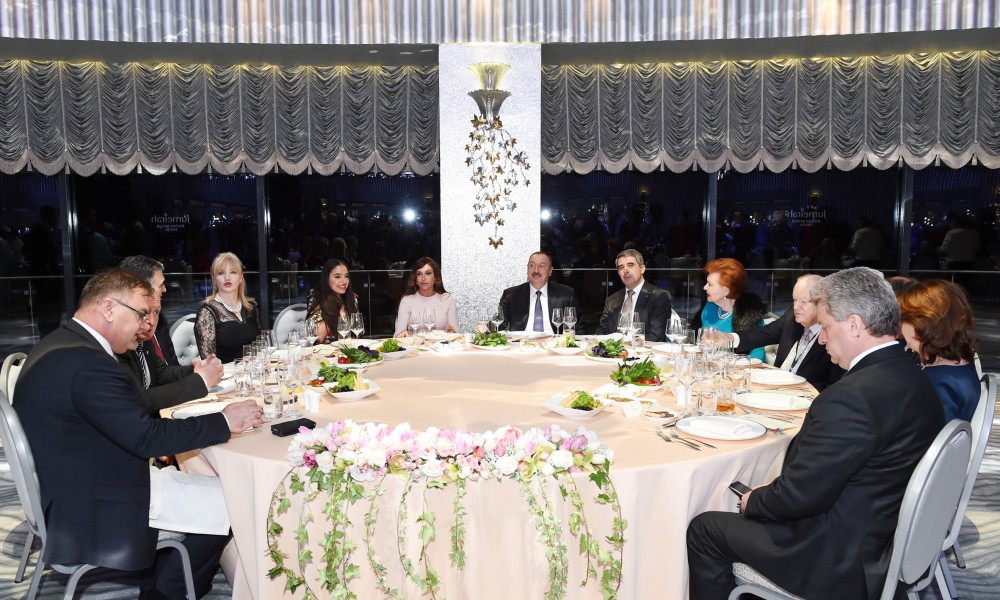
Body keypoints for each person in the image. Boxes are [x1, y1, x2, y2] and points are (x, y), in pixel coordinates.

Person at [686, 267, 944, 600]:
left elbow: (799, 497)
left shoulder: (850, 397)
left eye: (826, 327)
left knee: (704, 528)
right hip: (883, 538)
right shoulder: (915, 376)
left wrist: (755, 500)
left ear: (854, 325)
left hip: (837, 558)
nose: (821, 339)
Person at [14, 268, 263, 600]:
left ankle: (165, 576)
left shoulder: (62, 343)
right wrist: (224, 421)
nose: (146, 324)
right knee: (234, 500)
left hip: (73, 479)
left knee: (208, 487)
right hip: (89, 503)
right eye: (140, 314)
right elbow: (147, 438)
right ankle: (167, 591)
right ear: (108, 308)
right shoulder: (89, 364)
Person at [718, 274, 844, 390]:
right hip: (773, 389)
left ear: (822, 304)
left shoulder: (835, 336)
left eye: (803, 302)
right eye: (794, 300)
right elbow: (765, 333)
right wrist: (728, 338)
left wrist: (793, 390)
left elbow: (832, 386)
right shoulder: (793, 316)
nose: (796, 307)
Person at [119, 293, 225, 415]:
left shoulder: (143, 339)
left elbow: (161, 374)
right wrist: (201, 380)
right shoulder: (118, 346)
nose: (151, 321)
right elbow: (141, 400)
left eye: (156, 312)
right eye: (144, 313)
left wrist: (199, 369)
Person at [898, 279, 981, 422]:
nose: (900, 326)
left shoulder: (934, 383)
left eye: (903, 318)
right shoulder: (962, 364)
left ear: (921, 325)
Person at [691, 258, 767, 361]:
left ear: (726, 291)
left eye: (710, 284)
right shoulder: (709, 308)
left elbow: (757, 356)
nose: (705, 287)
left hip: (744, 369)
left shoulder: (750, 315)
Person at [194, 252, 262, 363]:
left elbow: (262, 346)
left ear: (241, 277)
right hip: (225, 373)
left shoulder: (251, 307)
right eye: (221, 273)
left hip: (254, 371)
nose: (227, 277)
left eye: (233, 272)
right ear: (214, 279)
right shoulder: (207, 312)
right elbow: (209, 364)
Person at [595, 249, 671, 342]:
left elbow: (656, 337)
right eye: (621, 267)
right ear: (618, 273)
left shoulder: (659, 297)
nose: (625, 270)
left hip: (644, 350)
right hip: (614, 350)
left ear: (642, 269)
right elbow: (601, 334)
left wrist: (626, 343)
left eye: (630, 265)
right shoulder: (611, 300)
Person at [498, 251, 578, 334]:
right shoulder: (511, 295)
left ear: (550, 271)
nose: (536, 270)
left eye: (541, 266)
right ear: (527, 269)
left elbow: (580, 329)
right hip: (521, 341)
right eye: (532, 265)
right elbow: (498, 327)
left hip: (553, 341)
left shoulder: (566, 294)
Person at [120, 255, 180, 366]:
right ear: (142, 286)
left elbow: (171, 364)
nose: (164, 289)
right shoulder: (125, 333)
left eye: (155, 313)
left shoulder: (160, 319)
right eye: (161, 285)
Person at [394, 257, 459, 336]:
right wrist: (402, 335)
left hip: (439, 343)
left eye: (428, 273)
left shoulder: (447, 299)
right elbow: (398, 334)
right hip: (414, 343)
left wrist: (451, 332)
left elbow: (456, 333)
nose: (423, 278)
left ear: (436, 277)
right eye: (419, 274)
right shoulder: (407, 300)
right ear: (415, 279)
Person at [307, 258, 359, 343]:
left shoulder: (352, 298)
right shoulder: (317, 297)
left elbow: (357, 332)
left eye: (346, 276)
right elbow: (319, 337)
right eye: (337, 277)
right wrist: (336, 306)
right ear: (327, 278)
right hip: (324, 350)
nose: (344, 281)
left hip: (347, 348)